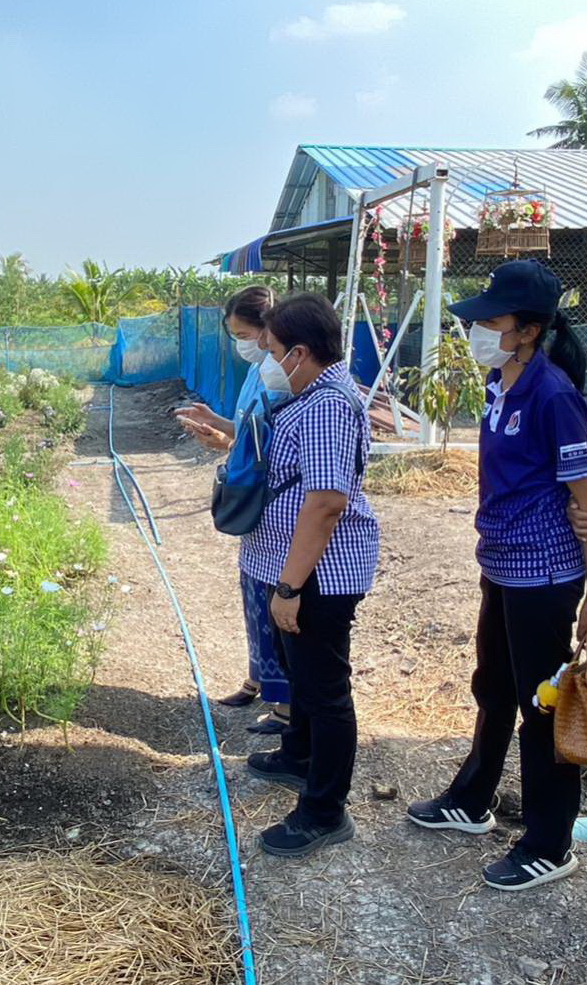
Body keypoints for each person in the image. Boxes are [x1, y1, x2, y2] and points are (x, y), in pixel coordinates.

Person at [406, 259, 587, 891]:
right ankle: (472, 799)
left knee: (542, 706)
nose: (478, 332)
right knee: (493, 686)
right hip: (500, 564)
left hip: (542, 576)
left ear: (528, 331)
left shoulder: (554, 396)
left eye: (491, 322)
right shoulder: (500, 383)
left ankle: (550, 842)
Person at [238, 292, 380, 858]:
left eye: (273, 350)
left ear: (299, 353)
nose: (268, 361)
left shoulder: (326, 406)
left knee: (324, 692)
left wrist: (290, 588)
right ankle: (299, 756)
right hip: (295, 566)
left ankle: (324, 811)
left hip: (318, 574)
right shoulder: (313, 396)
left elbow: (325, 503)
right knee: (301, 675)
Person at [174, 287, 292, 735]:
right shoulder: (257, 372)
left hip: (273, 503)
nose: (244, 345)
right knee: (254, 595)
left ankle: (285, 705)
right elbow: (249, 433)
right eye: (236, 336)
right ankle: (260, 679)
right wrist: (219, 426)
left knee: (274, 600)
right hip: (252, 502)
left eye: (246, 335)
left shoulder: (282, 377)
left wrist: (229, 443)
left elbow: (272, 446)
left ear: (270, 331)